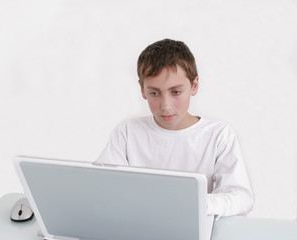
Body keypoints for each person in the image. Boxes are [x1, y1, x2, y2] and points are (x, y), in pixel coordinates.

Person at [96, 39, 254, 217]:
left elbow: (241, 198)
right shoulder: (127, 132)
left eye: (176, 92)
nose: (166, 106)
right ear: (142, 90)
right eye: (154, 93)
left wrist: (196, 204)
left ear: (194, 86)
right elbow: (103, 187)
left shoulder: (217, 135)